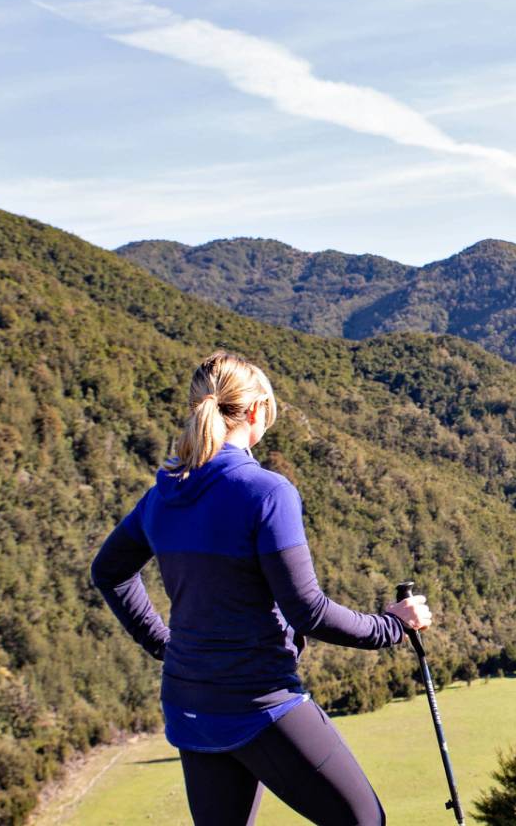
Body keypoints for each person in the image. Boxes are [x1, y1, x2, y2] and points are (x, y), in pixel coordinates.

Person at [92, 351, 431, 826]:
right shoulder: (266, 492)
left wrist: (165, 646)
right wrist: (392, 626)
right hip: (260, 701)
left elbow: (109, 572)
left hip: (190, 705)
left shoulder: (164, 494)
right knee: (364, 820)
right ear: (255, 411)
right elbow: (307, 610)